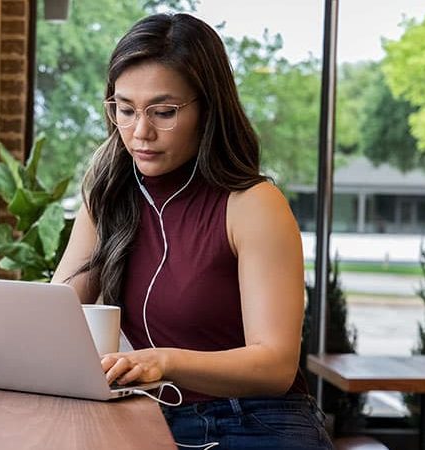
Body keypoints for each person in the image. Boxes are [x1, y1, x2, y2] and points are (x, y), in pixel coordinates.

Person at [51, 12, 334, 450]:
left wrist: (163, 361)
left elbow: (275, 366)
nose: (140, 132)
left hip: (254, 421)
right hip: (153, 417)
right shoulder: (107, 194)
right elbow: (58, 315)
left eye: (163, 112)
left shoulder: (253, 204)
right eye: (124, 110)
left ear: (208, 108)